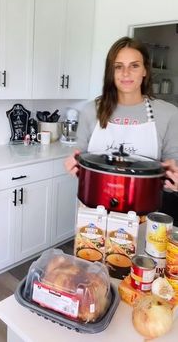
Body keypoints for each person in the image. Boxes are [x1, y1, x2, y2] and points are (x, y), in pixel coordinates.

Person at [65, 36, 178, 223]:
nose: (126, 73)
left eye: (134, 66)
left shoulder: (168, 113)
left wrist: (174, 182)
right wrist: (74, 166)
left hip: (143, 215)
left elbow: (171, 170)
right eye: (118, 66)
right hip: (94, 215)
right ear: (111, 72)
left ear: (145, 71)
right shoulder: (91, 111)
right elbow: (81, 161)